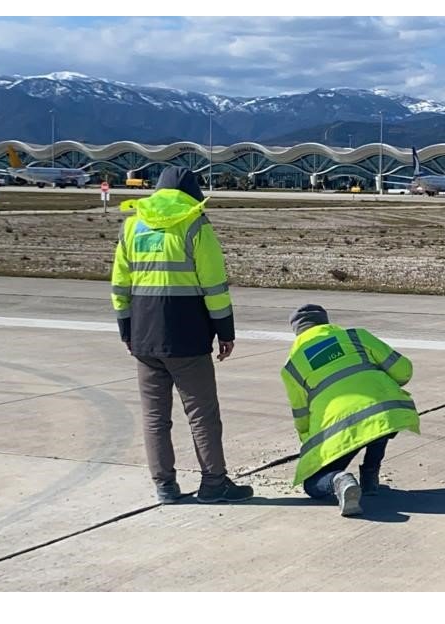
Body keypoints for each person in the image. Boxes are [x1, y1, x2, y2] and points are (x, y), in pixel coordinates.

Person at [111, 166, 253, 504]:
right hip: (187, 336)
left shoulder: (132, 225)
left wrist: (126, 329)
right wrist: (225, 331)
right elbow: (214, 287)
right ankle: (214, 483)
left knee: (155, 417)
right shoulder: (195, 225)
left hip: (144, 335)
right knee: (202, 414)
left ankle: (164, 486)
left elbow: (120, 285)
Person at [280, 304, 421, 517]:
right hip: (384, 412)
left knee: (312, 484)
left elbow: (301, 415)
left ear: (297, 332)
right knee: (378, 418)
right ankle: (370, 477)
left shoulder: (292, 366)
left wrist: (311, 446)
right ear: (325, 322)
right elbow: (403, 370)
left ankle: (339, 480)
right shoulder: (357, 336)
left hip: (338, 428)